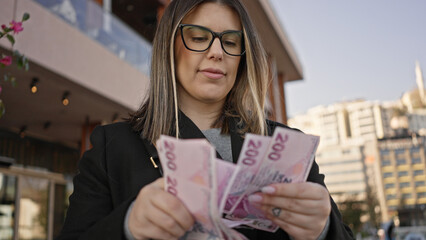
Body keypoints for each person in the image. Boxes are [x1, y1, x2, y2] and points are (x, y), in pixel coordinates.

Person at [57, 0, 354, 239]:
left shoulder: (289, 149)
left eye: (231, 42)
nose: (216, 52)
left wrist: (324, 231)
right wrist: (127, 227)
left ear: (242, 56)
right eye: (199, 37)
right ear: (169, 49)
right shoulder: (112, 147)